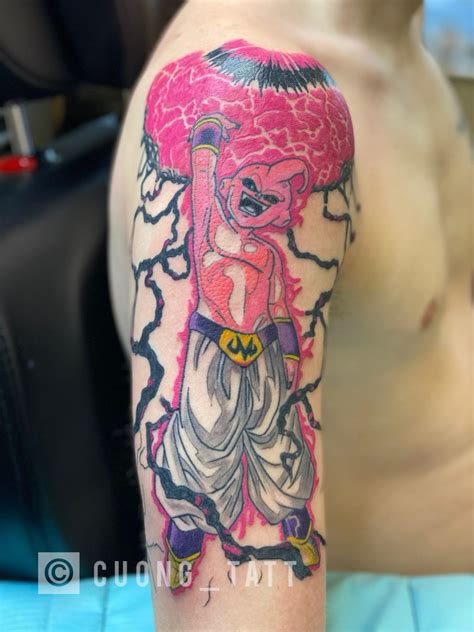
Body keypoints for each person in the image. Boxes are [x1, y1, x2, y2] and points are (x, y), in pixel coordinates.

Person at [109, 1, 472, 629]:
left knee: (278, 458)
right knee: (203, 453)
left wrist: (279, 351)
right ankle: (194, 534)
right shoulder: (241, 97)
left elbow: (280, 306)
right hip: (405, 602)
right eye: (249, 190)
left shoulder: (404, 47)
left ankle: (289, 525)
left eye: (274, 199)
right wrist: (206, 150)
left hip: (267, 366)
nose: (259, 203)